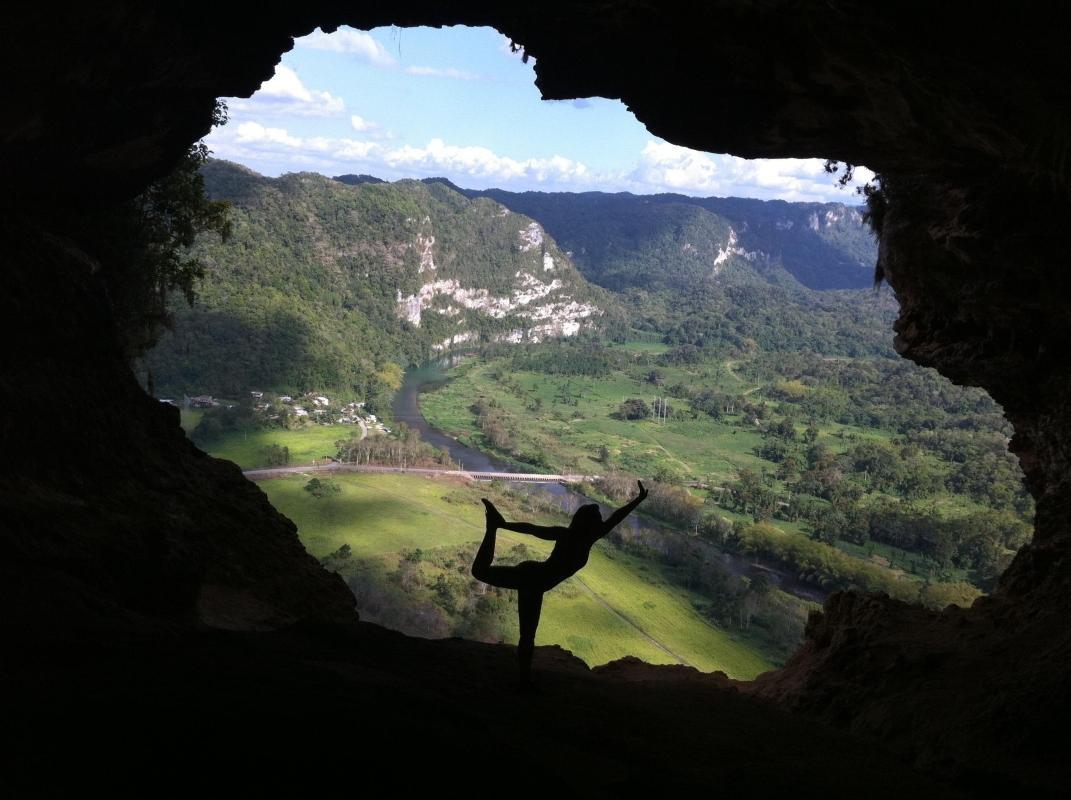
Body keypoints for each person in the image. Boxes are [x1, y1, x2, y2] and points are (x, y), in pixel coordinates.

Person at [472, 481, 648, 686]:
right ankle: (524, 681)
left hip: (534, 577)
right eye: (598, 519)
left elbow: (616, 517)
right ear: (589, 524)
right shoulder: (573, 536)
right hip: (533, 581)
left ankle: (524, 679)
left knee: (525, 630)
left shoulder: (586, 536)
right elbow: (533, 529)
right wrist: (505, 525)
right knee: (527, 633)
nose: (602, 522)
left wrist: (638, 499)